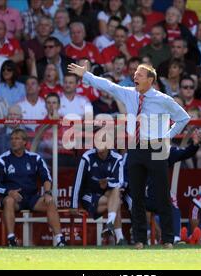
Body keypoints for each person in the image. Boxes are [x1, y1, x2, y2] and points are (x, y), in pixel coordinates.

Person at [68, 59, 190, 249]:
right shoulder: (129, 94)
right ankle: (140, 240)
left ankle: (167, 240)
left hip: (156, 148)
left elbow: (184, 118)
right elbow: (108, 85)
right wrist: (86, 75)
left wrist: (165, 137)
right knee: (137, 196)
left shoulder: (163, 99)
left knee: (162, 195)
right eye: (135, 73)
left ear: (150, 80)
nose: (135, 76)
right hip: (134, 148)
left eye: (140, 74)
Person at [0, 128, 66, 247]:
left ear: (25, 142)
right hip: (14, 199)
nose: (13, 141)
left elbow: (46, 178)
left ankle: (59, 239)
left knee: (50, 202)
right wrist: (9, 192)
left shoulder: (34, 158)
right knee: (8, 201)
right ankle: (11, 239)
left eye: (17, 139)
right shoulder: (2, 160)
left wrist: (47, 192)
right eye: (12, 139)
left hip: (32, 198)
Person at [71, 132, 127, 245]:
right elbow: (77, 181)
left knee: (115, 190)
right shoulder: (87, 157)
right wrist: (73, 205)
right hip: (89, 195)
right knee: (116, 202)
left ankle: (111, 226)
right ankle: (119, 236)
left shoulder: (117, 158)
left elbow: (120, 181)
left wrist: (107, 184)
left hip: (107, 194)